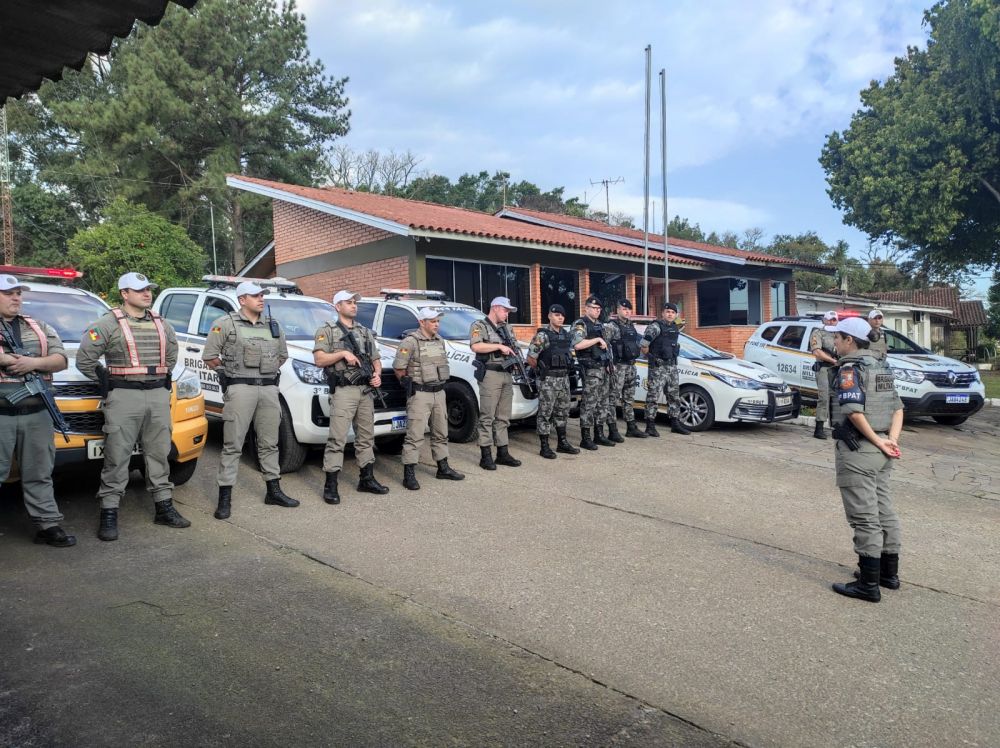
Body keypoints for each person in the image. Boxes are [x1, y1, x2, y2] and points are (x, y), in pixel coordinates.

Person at [77, 272, 190, 541]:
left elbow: (171, 356)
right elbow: (85, 360)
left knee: (159, 454)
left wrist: (156, 379)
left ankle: (163, 507)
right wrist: (110, 383)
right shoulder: (107, 324)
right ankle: (109, 511)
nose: (147, 294)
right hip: (123, 397)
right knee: (117, 456)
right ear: (124, 294)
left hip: (158, 395)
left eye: (148, 289)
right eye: (139, 290)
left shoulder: (163, 324)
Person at [203, 280, 299, 519]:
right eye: (255, 295)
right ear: (242, 300)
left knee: (269, 442)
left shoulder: (273, 325)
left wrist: (265, 372)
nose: (261, 299)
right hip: (240, 389)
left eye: (262, 295)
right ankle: (225, 498)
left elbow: (282, 355)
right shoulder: (225, 324)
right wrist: (230, 374)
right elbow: (210, 357)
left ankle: (273, 491)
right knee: (233, 444)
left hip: (268, 389)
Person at [828, 316, 904, 603]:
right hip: (883, 450)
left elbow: (854, 412)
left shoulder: (850, 369)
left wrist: (875, 440)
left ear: (850, 340)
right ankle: (888, 574)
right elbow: (898, 409)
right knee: (885, 510)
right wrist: (890, 441)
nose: (834, 342)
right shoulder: (881, 365)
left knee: (864, 517)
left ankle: (868, 585)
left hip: (859, 450)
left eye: (837, 337)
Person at [0, 274, 76, 547]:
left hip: (36, 414)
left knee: (40, 472)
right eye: (9, 293)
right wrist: (7, 358)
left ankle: (48, 525)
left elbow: (61, 359)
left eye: (18, 292)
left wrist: (32, 363)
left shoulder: (39, 326)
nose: (16, 297)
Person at [313, 290, 390, 503]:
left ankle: (367, 479)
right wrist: (342, 354)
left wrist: (377, 375)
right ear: (338, 306)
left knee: (366, 437)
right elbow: (319, 359)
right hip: (344, 391)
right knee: (337, 438)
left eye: (355, 302)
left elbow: (375, 359)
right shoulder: (326, 331)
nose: (354, 305)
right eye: (348, 302)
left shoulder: (365, 332)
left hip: (365, 391)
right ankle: (331, 485)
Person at [393, 307, 464, 489]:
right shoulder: (410, 342)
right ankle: (409, 474)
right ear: (421, 322)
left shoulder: (439, 341)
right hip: (420, 394)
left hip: (439, 393)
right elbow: (399, 368)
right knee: (415, 435)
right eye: (432, 321)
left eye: (438, 321)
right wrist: (408, 384)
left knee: (441, 433)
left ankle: (443, 468)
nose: (436, 325)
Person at [469, 297, 522, 470]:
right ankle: (485, 456)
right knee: (487, 416)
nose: (507, 314)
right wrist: (498, 347)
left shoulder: (507, 328)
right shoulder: (479, 325)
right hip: (490, 374)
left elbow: (514, 347)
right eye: (505, 310)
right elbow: (476, 347)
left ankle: (502, 453)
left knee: (503, 416)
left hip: (506, 374)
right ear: (496, 308)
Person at [526, 304, 579, 458]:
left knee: (563, 411)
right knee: (545, 413)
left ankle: (562, 442)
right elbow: (531, 358)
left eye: (562, 315)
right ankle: (544, 446)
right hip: (548, 379)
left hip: (564, 379)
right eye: (556, 315)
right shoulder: (543, 336)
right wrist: (543, 370)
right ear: (549, 316)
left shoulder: (566, 335)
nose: (560, 317)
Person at [640, 302, 690, 437]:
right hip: (658, 366)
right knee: (653, 396)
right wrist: (652, 358)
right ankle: (650, 425)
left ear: (676, 315)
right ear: (663, 313)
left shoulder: (675, 327)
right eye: (667, 312)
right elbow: (644, 345)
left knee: (673, 395)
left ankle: (675, 423)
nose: (670, 314)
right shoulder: (655, 327)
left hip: (672, 366)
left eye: (673, 313)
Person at [604, 298, 645, 440]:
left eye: (628, 310)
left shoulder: (631, 326)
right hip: (618, 366)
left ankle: (631, 427)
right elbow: (605, 346)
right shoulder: (611, 326)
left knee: (629, 398)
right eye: (623, 309)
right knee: (613, 398)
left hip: (630, 366)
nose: (626, 312)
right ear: (618, 310)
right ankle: (612, 429)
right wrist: (609, 364)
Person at [809, 310, 839, 439]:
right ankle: (819, 428)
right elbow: (817, 352)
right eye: (830, 319)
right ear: (824, 320)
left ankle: (836, 426)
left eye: (834, 320)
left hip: (837, 369)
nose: (832, 322)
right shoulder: (818, 333)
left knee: (837, 398)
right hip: (824, 369)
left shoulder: (840, 334)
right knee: (824, 398)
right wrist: (833, 361)